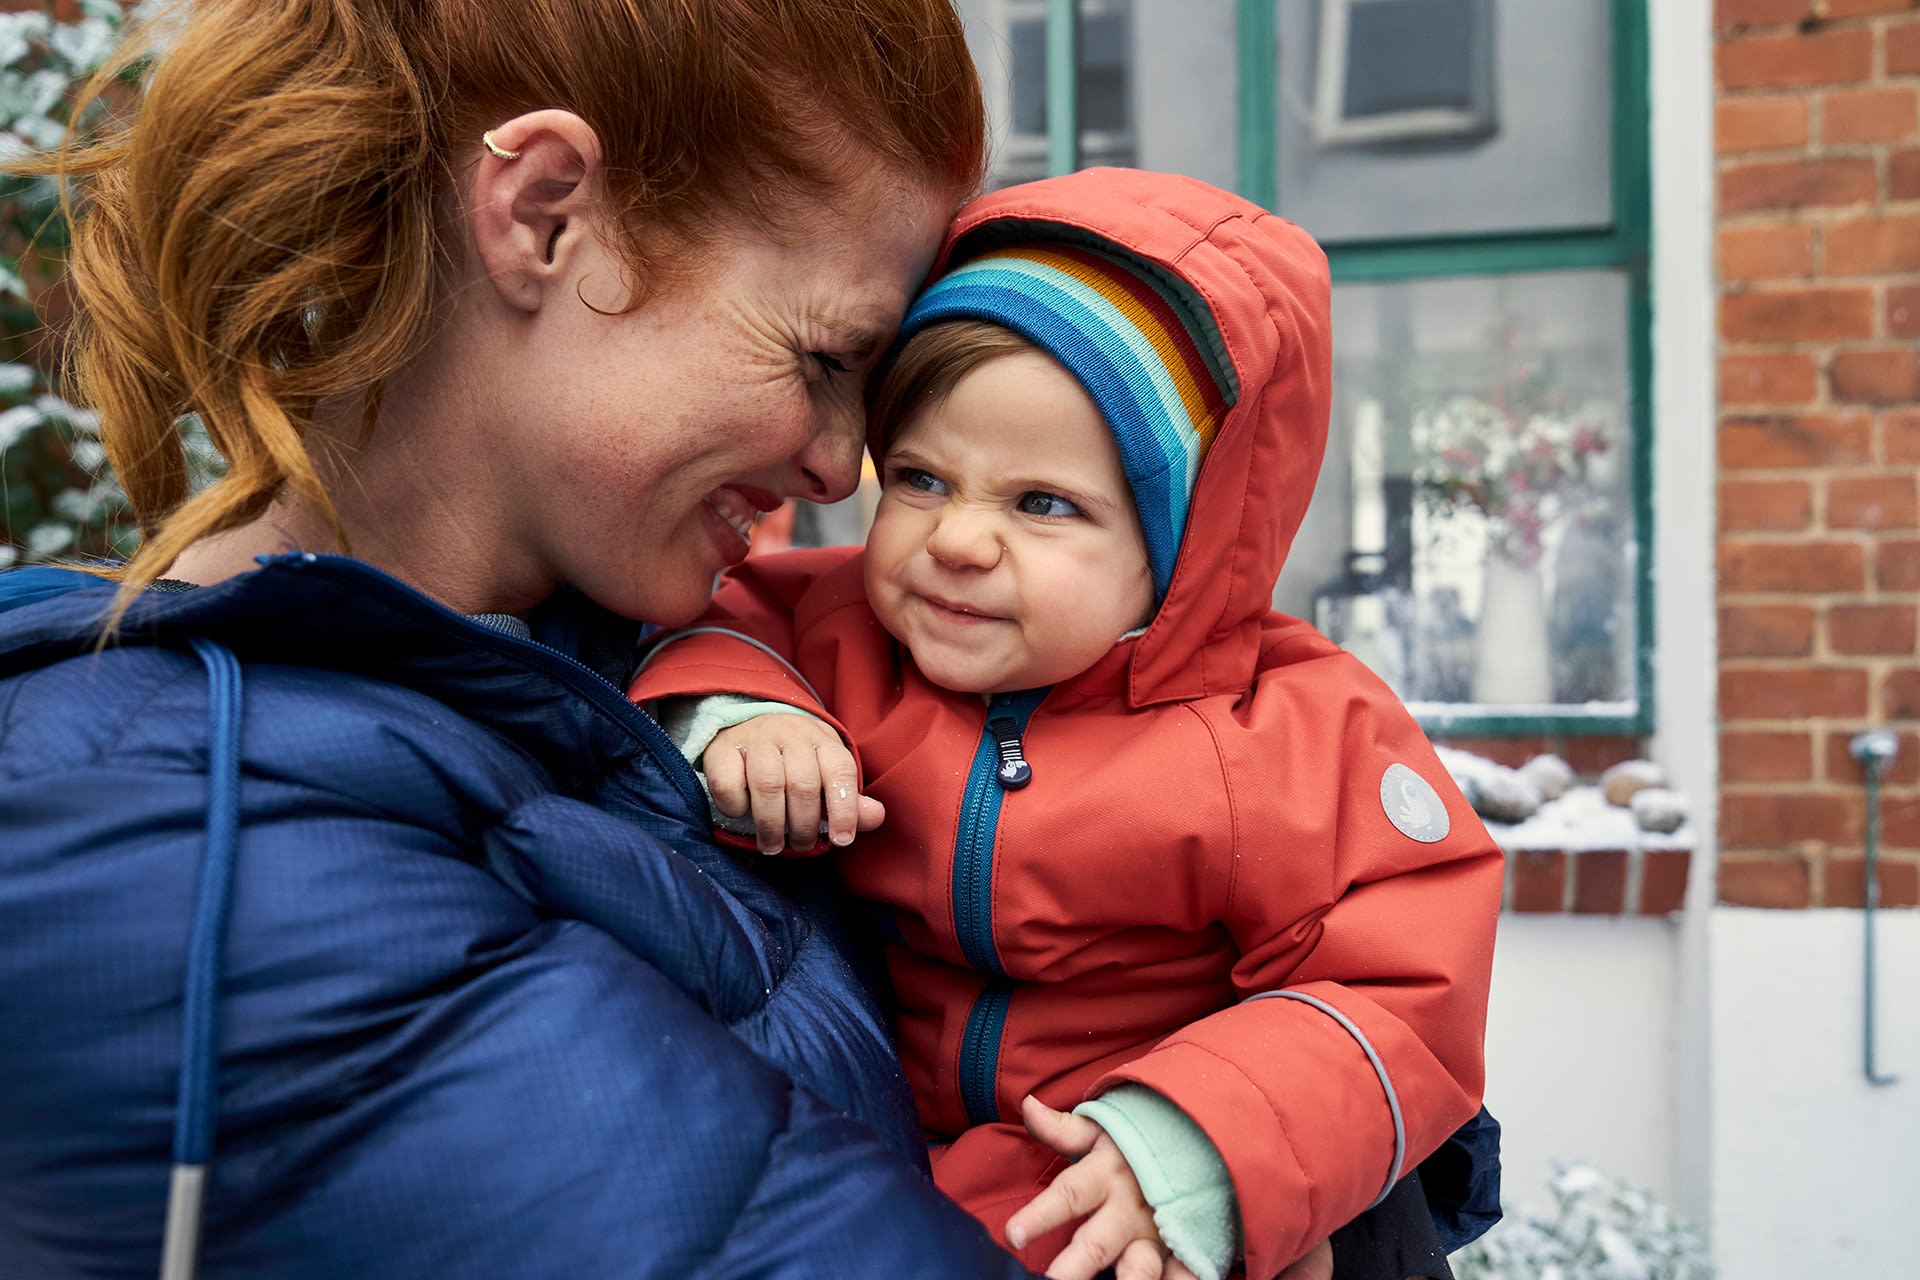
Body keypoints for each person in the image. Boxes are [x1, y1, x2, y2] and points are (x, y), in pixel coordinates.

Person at [0, 1, 1051, 1276]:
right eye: (827, 356)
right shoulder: (165, 843)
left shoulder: (628, 665)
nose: (842, 461)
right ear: (544, 213)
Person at [629, 167, 1506, 1280]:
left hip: (1126, 1183)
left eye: (1042, 503)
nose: (958, 539)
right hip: (904, 1165)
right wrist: (747, 711)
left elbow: (1402, 980)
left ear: (1181, 549)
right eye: (921, 477)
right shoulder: (845, 626)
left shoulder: (1280, 729)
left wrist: (1207, 1144)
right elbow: (718, 610)